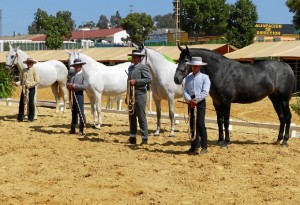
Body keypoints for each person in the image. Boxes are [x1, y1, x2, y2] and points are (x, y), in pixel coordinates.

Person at [184, 57, 211, 155]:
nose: (194, 68)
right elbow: (185, 91)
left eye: (196, 66)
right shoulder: (188, 78)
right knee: (192, 124)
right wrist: (189, 100)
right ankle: (194, 146)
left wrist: (195, 100)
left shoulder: (205, 77)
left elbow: (205, 92)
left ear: (199, 66)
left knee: (200, 123)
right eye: (193, 66)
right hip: (190, 102)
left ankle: (204, 147)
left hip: (199, 102)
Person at [126, 49, 152, 145]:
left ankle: (144, 138)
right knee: (131, 116)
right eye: (132, 56)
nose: (133, 58)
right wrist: (127, 95)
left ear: (139, 58)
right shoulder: (130, 68)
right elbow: (128, 81)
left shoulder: (143, 67)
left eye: (134, 57)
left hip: (140, 94)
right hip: (131, 94)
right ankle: (132, 137)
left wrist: (136, 81)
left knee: (141, 116)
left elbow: (149, 80)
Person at [67, 58, 89, 136]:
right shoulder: (71, 74)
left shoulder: (85, 75)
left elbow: (85, 86)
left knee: (80, 112)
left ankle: (81, 129)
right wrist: (69, 85)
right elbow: (67, 83)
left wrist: (75, 86)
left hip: (79, 94)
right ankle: (73, 128)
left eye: (79, 65)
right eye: (76, 65)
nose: (77, 67)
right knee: (73, 112)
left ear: (81, 65)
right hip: (72, 95)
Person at [17, 57, 40, 122]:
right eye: (28, 62)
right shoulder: (24, 70)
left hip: (31, 88)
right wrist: (16, 83)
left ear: (32, 63)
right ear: (27, 63)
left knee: (31, 103)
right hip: (24, 88)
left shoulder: (35, 70)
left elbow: (37, 81)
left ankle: (31, 118)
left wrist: (29, 85)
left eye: (30, 62)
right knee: (21, 102)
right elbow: (21, 81)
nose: (29, 63)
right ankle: (20, 118)